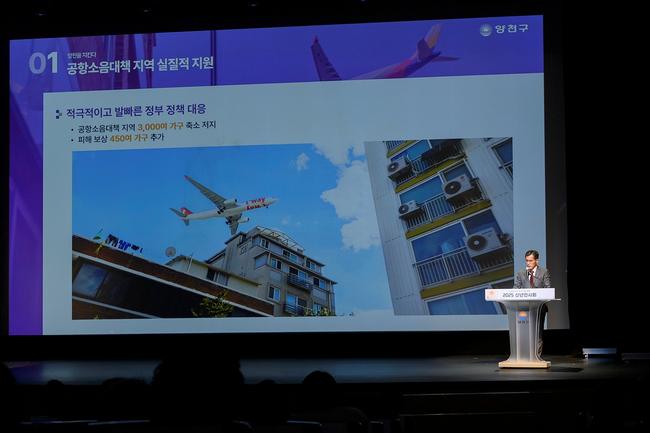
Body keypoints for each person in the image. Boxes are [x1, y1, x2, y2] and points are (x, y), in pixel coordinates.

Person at [514, 249, 552, 357]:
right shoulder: (521, 273)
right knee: (523, 332)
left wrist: (536, 292)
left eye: (530, 261)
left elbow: (548, 288)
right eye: (526, 260)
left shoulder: (543, 272)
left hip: (539, 307)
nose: (528, 263)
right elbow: (515, 289)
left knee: (537, 332)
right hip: (524, 308)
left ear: (537, 261)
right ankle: (524, 356)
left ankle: (536, 357)